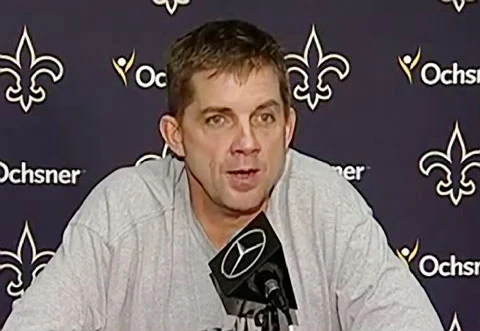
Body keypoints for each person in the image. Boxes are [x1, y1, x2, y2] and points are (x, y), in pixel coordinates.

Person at [2, 19, 443, 331]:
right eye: (219, 119)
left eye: (264, 118)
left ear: (288, 128)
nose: (246, 142)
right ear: (175, 136)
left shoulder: (324, 203)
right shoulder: (125, 211)